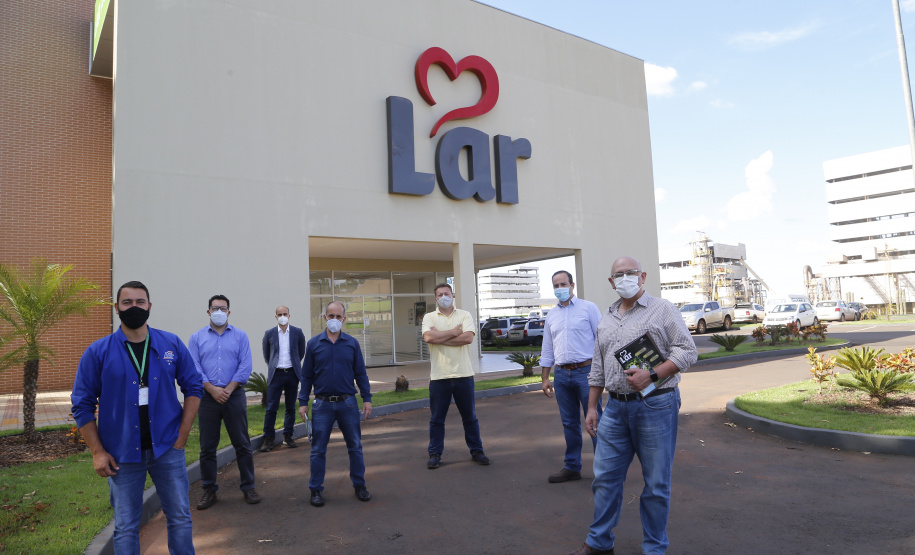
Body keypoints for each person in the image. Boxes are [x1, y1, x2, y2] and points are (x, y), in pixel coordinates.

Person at [568, 257, 697, 555]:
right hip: (614, 408)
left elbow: (687, 351)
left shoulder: (662, 309)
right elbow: (597, 366)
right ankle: (599, 543)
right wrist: (591, 407)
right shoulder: (608, 317)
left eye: (630, 273)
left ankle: (654, 548)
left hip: (656, 404)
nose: (625, 278)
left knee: (655, 484)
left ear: (642, 276)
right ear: (611, 282)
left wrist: (652, 374)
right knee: (605, 478)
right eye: (618, 275)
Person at [71, 281, 203, 554]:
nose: (134, 307)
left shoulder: (171, 344)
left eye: (140, 302)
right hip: (121, 454)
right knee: (126, 526)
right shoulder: (98, 352)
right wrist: (97, 452)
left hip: (167, 447)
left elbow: (194, 387)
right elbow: (82, 404)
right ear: (117, 308)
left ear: (149, 307)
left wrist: (183, 434)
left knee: (179, 518)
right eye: (127, 303)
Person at [189, 294, 261, 510]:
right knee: (207, 447)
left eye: (223, 308)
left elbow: (245, 365)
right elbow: (194, 366)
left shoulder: (240, 336)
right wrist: (211, 389)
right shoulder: (197, 337)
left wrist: (227, 390)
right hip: (208, 398)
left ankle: (248, 486)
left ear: (229, 312)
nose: (219, 311)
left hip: (234, 396)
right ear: (208, 311)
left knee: (242, 444)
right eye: (215, 308)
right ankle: (209, 489)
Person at [298, 300, 373, 507]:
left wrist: (367, 398)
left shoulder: (352, 344)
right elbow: (306, 377)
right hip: (322, 406)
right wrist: (303, 402)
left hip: (348, 404)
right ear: (325, 318)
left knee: (355, 447)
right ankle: (315, 490)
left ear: (344, 319)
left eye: (338, 316)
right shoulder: (314, 344)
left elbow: (361, 373)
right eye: (330, 316)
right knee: (317, 450)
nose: (334, 320)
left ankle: (360, 485)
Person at [539, 270, 603, 483]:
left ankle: (604, 471)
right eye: (556, 286)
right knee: (569, 423)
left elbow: (602, 341)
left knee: (594, 420)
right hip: (562, 375)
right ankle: (572, 467)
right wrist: (545, 377)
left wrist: (601, 372)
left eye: (563, 284)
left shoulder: (588, 308)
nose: (560, 289)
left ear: (572, 285)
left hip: (586, 372)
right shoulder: (552, 315)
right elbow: (547, 347)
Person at [421, 283, 489, 469]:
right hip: (439, 377)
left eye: (447, 293)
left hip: (463, 375)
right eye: (440, 294)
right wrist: (453, 333)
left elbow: (468, 338)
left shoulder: (464, 315)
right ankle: (435, 454)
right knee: (437, 419)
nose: (444, 296)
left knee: (470, 417)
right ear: (435, 298)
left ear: (452, 295)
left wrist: (440, 337)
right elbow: (428, 338)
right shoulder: (429, 317)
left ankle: (477, 451)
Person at [260, 305, 307, 452]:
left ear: (289, 315)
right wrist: (275, 366)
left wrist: (292, 365)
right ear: (275, 317)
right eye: (279, 314)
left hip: (292, 374)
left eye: (284, 313)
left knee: (290, 407)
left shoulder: (297, 332)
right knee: (271, 408)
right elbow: (267, 355)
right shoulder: (269, 334)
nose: (282, 316)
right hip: (276, 374)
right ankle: (268, 438)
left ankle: (288, 436)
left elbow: (301, 352)